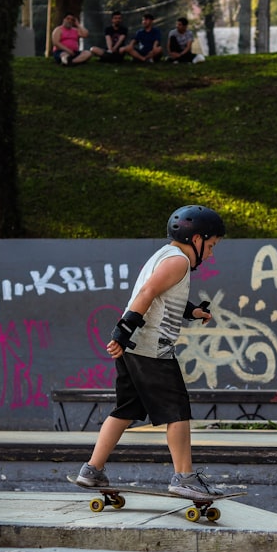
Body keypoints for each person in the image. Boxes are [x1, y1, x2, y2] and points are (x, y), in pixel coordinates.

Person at [76, 205, 226, 497]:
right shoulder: (179, 262)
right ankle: (184, 478)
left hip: (135, 348)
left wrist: (192, 311)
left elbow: (159, 294)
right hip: (151, 348)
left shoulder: (164, 255)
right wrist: (122, 332)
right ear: (196, 239)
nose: (210, 254)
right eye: (211, 246)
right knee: (177, 410)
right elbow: (146, 295)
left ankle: (92, 470)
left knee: (126, 409)